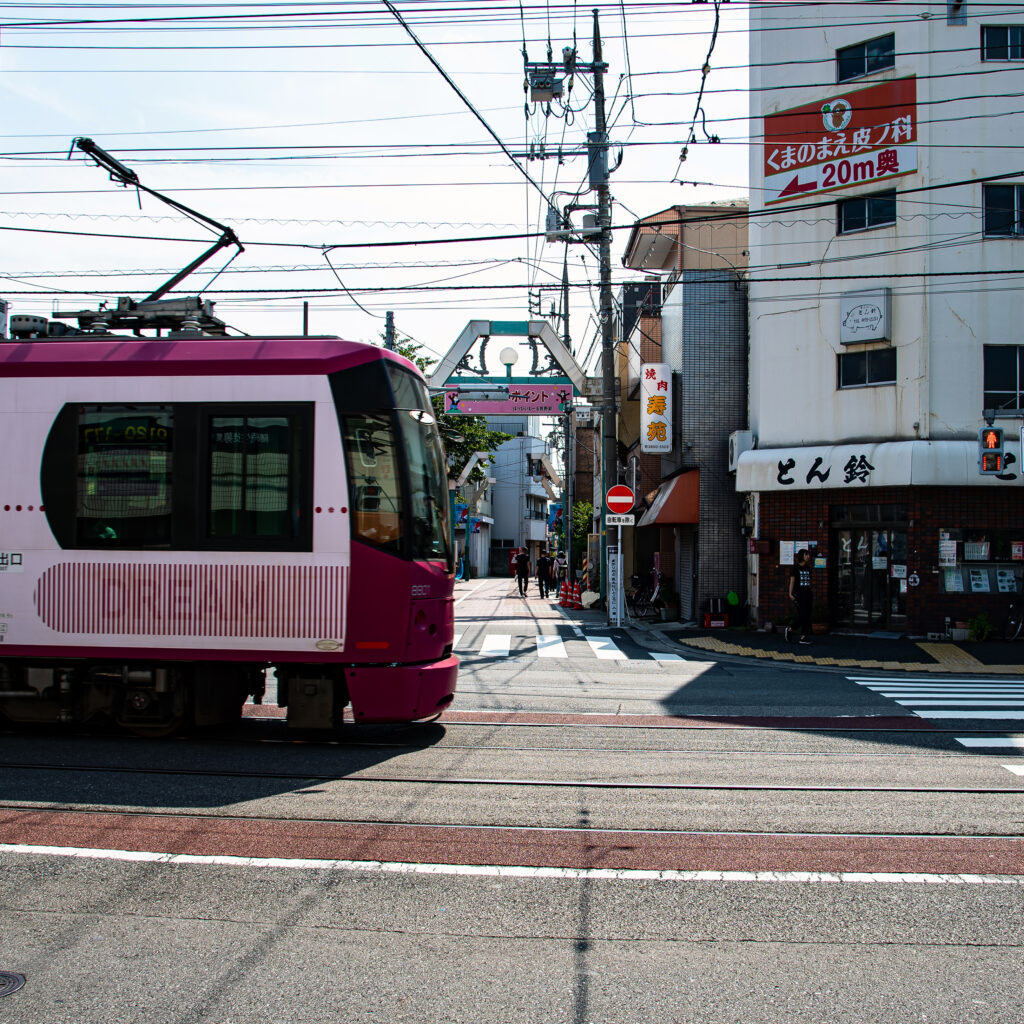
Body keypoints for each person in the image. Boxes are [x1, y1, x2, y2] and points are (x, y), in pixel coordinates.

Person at [787, 548, 813, 644]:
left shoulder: (808, 568)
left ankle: (803, 636)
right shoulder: (795, 568)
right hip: (799, 594)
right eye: (806, 555)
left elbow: (809, 582)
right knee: (802, 615)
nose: (808, 557)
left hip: (807, 594)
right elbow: (792, 581)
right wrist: (790, 593)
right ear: (802, 556)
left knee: (807, 615)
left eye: (808, 555)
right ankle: (791, 628)